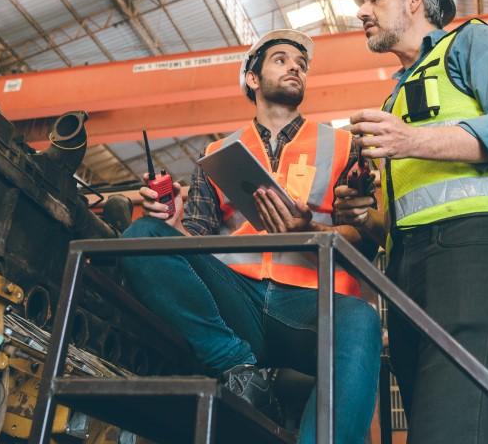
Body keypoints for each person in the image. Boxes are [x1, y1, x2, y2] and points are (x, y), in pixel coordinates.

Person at [121, 29, 381, 444]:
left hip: (311, 303)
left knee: (362, 321)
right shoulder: (217, 154)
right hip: (236, 299)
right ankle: (236, 365)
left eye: (301, 64)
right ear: (254, 80)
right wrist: (168, 219)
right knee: (141, 237)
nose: (295, 66)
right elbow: (196, 238)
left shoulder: (345, 146)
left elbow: (367, 240)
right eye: (281, 59)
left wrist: (311, 229)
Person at [333, 0, 488, 443]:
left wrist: (410, 141)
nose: (361, 13)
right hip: (409, 267)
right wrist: (366, 217)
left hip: (478, 249)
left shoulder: (471, 42)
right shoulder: (395, 100)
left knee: (451, 427)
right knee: (434, 426)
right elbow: (401, 217)